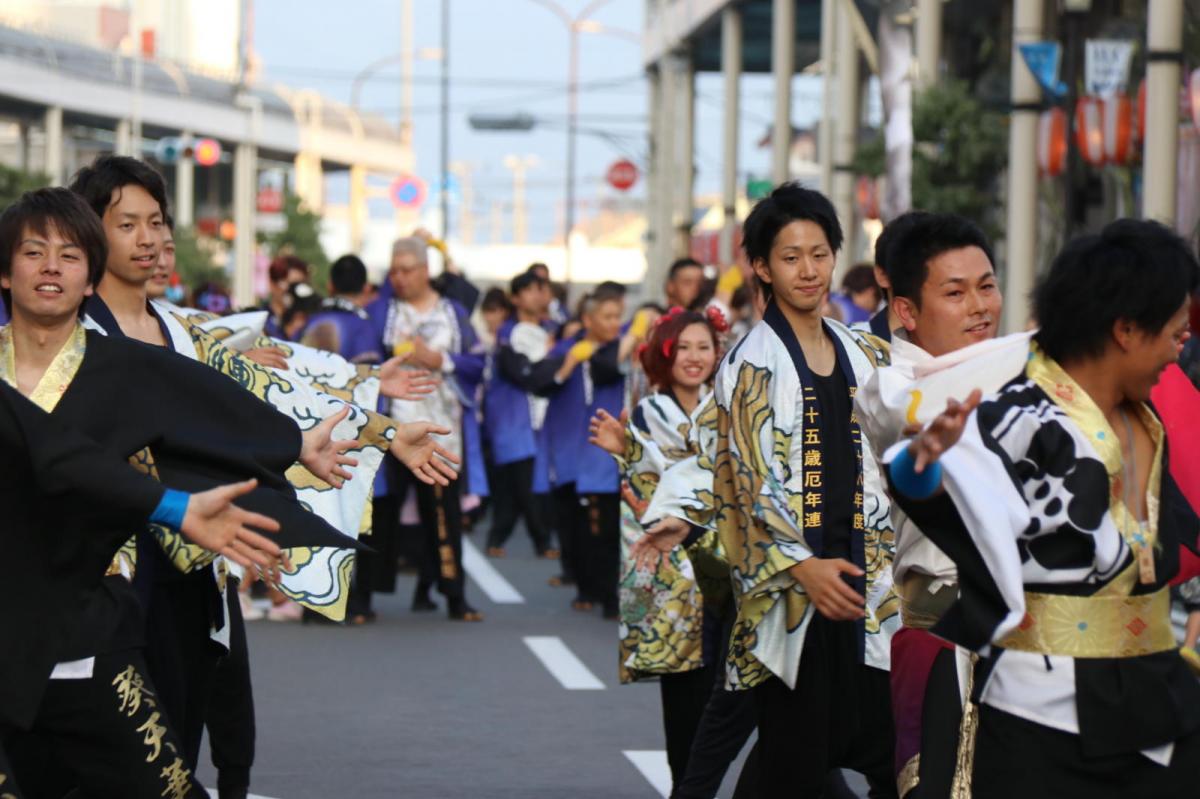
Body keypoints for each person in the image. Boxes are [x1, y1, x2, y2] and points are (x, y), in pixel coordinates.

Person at [0, 186, 356, 798]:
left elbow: (217, 408)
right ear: (5, 273)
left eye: (69, 254)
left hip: (94, 626)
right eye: (33, 253)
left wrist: (298, 445)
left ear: (91, 278)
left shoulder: (129, 369)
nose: (51, 267)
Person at [886, 218, 1200, 797]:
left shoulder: (1150, 415)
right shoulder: (1016, 412)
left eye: (987, 286)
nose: (1181, 345)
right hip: (1039, 704)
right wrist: (923, 463)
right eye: (1172, 332)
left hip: (1152, 695)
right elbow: (940, 489)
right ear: (1125, 330)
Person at [706, 183, 899, 794]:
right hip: (794, 594)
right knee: (797, 756)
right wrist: (803, 566)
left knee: (880, 747)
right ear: (761, 267)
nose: (809, 270)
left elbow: (898, 446)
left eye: (819, 253)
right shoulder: (750, 364)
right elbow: (752, 484)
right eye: (790, 257)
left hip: (867, 584)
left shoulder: (863, 351)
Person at [853, 212, 1011, 798]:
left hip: (1031, 635)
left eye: (987, 286)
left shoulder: (1014, 371)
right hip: (944, 632)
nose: (979, 306)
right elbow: (908, 418)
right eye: (955, 291)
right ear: (907, 311)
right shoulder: (890, 385)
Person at [588, 306, 742, 793]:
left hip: (726, 563)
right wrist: (628, 451)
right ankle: (687, 786)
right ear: (664, 354)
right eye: (684, 348)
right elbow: (654, 488)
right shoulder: (652, 411)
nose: (695, 357)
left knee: (727, 692)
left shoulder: (727, 403)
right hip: (678, 575)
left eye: (704, 347)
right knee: (688, 699)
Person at [369, 235, 486, 621]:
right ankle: (363, 597)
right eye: (394, 271)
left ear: (424, 271)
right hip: (390, 429)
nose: (399, 278)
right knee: (380, 512)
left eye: (406, 270)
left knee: (442, 514)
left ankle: (451, 594)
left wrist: (440, 360)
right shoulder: (382, 313)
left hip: (439, 430)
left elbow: (478, 363)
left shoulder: (453, 313)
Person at [534, 286, 627, 615]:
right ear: (588, 319)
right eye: (607, 316)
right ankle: (585, 587)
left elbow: (613, 368)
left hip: (606, 457)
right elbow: (541, 381)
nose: (615, 323)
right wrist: (569, 364)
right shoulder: (566, 349)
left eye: (618, 316)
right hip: (569, 453)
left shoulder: (621, 351)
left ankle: (607, 594)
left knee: (606, 530)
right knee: (575, 528)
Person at [483, 270, 557, 558]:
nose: (538, 295)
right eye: (529, 290)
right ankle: (540, 541)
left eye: (541, 289)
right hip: (513, 419)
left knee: (523, 483)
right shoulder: (509, 333)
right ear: (515, 298)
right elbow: (526, 374)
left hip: (542, 420)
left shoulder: (553, 328)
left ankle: (500, 538)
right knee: (520, 483)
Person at [299, 254, 384, 363]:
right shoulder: (364, 328)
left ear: (330, 285)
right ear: (366, 287)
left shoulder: (309, 321)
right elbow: (369, 374)